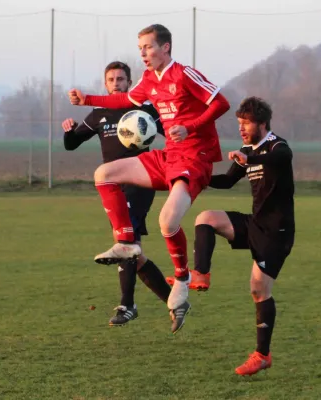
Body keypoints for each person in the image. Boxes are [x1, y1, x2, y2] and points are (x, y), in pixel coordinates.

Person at [69, 24, 230, 332]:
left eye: (148, 46)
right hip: (169, 156)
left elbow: (220, 103)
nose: (142, 52)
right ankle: (126, 243)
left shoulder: (184, 74)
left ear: (165, 48)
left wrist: (191, 127)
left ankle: (182, 280)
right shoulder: (149, 80)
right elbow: (125, 100)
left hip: (195, 158)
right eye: (140, 47)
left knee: (167, 221)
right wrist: (86, 98)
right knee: (104, 174)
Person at [185, 97, 295, 375]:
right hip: (255, 224)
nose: (242, 129)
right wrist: (195, 174)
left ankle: (262, 355)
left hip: (277, 232)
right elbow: (226, 180)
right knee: (206, 218)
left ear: (262, 123)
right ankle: (201, 274)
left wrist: (251, 157)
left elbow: (282, 157)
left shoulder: (276, 146)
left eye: (246, 123)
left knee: (259, 290)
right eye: (239, 123)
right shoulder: (248, 150)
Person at [62, 61, 171, 327]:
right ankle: (174, 300)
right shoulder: (99, 113)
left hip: (141, 179)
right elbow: (72, 144)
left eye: (121, 79)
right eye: (111, 79)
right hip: (113, 186)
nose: (115, 83)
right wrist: (68, 130)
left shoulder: (145, 110)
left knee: (127, 242)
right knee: (133, 251)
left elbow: (172, 134)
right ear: (105, 83)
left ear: (129, 83)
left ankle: (127, 305)